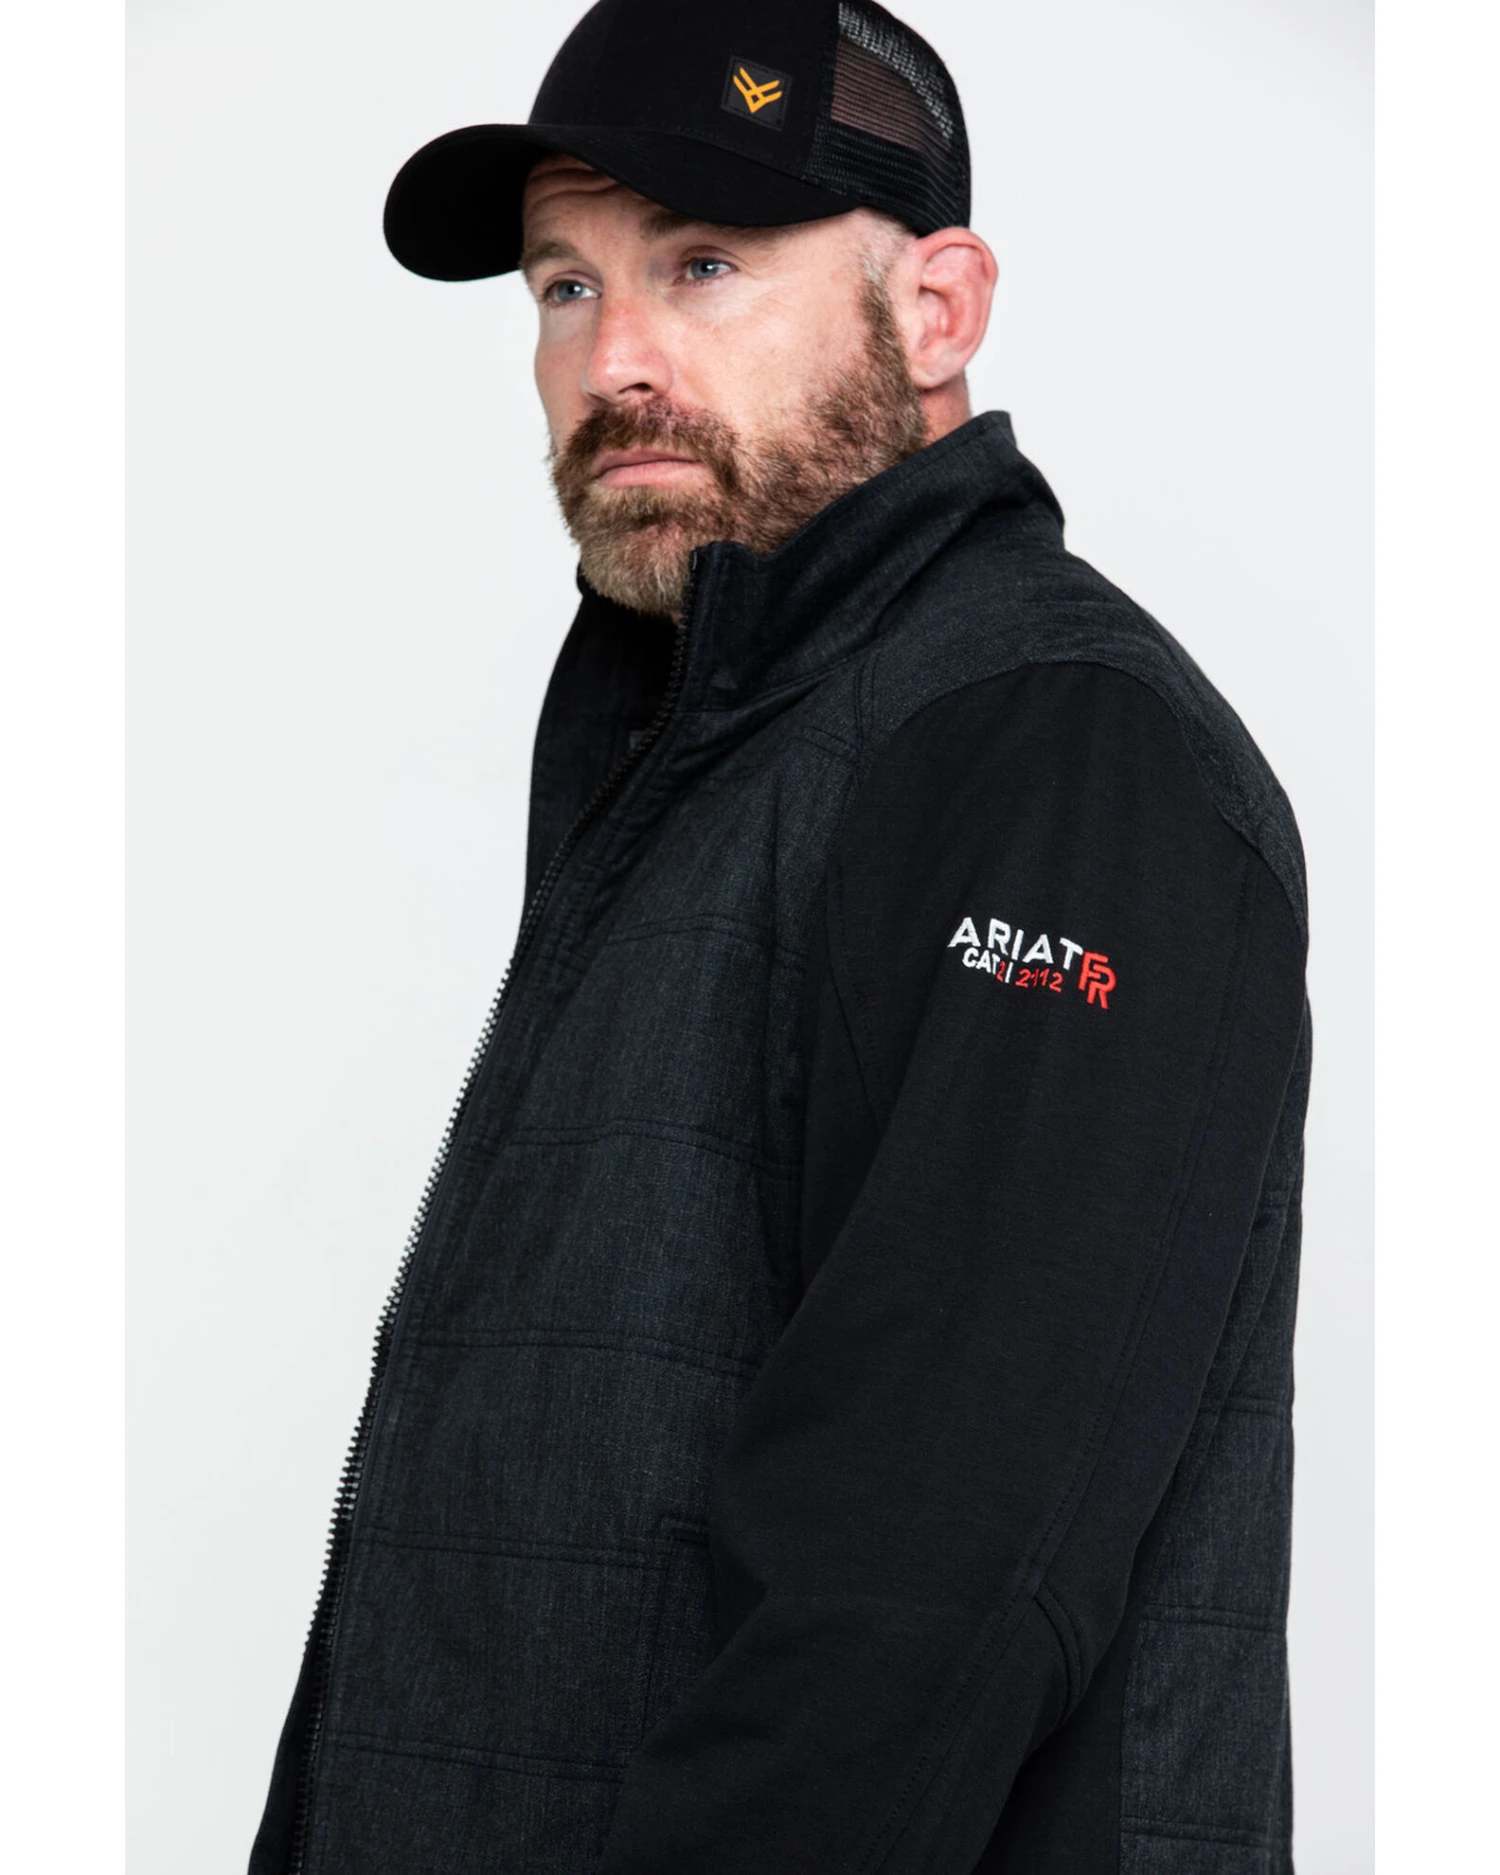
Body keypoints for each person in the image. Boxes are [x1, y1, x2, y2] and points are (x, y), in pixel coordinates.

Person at [249, 2, 1311, 1870]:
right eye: (564, 285)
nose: (614, 356)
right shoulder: (701, 750)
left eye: (705, 264)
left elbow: (921, 1596)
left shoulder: (1060, 759)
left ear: (939, 309)